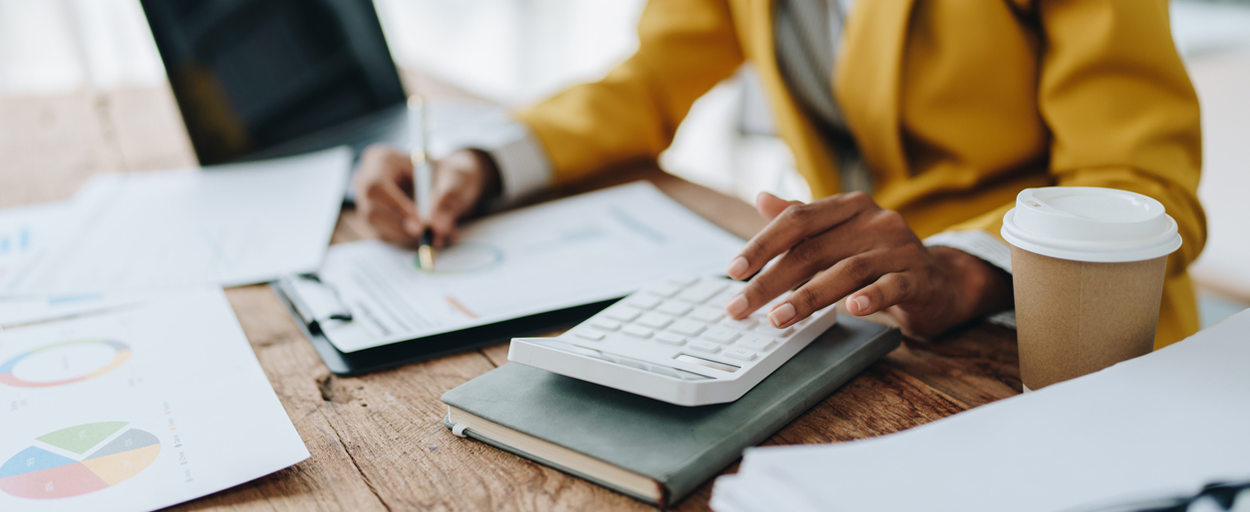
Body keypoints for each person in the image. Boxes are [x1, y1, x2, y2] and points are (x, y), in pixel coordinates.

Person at [353, 0, 1203, 346]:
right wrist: (478, 164)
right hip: (873, 321)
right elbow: (648, 83)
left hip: (1063, 333)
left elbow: (1143, 185)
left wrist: (959, 268)